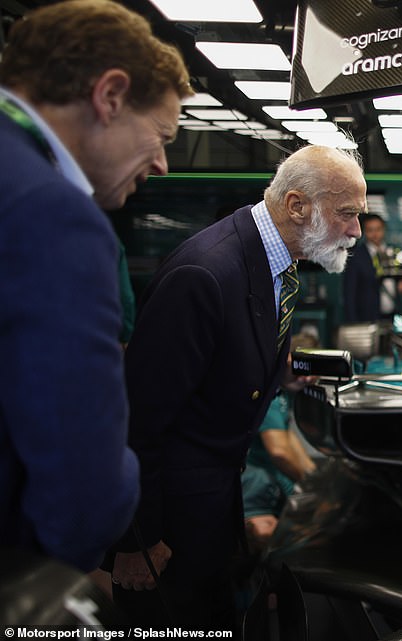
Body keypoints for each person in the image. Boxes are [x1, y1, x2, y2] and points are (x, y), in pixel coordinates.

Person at [108, 144, 366, 629]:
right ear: (296, 206)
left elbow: (222, 359)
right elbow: (137, 418)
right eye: (346, 214)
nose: (355, 230)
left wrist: (277, 373)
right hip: (166, 522)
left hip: (216, 501)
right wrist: (135, 539)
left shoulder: (275, 262)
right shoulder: (204, 274)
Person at [0, 0, 191, 573]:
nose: (162, 165)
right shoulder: (52, 216)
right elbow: (86, 485)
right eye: (160, 135)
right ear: (109, 96)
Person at [243, 330, 321, 549]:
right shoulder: (270, 392)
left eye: (312, 370)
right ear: (286, 358)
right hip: (252, 491)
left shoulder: (284, 394)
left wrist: (316, 480)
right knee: (267, 535)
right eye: (299, 366)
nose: (305, 377)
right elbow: (280, 452)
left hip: (269, 486)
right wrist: (314, 490)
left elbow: (290, 442)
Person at [343, 213, 402, 321]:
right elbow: (349, 292)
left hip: (393, 314)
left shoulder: (392, 252)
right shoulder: (356, 256)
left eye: (378, 229)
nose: (375, 234)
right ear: (364, 232)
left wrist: (400, 282)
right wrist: (352, 322)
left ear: (384, 230)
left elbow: (398, 276)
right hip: (368, 316)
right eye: (370, 230)